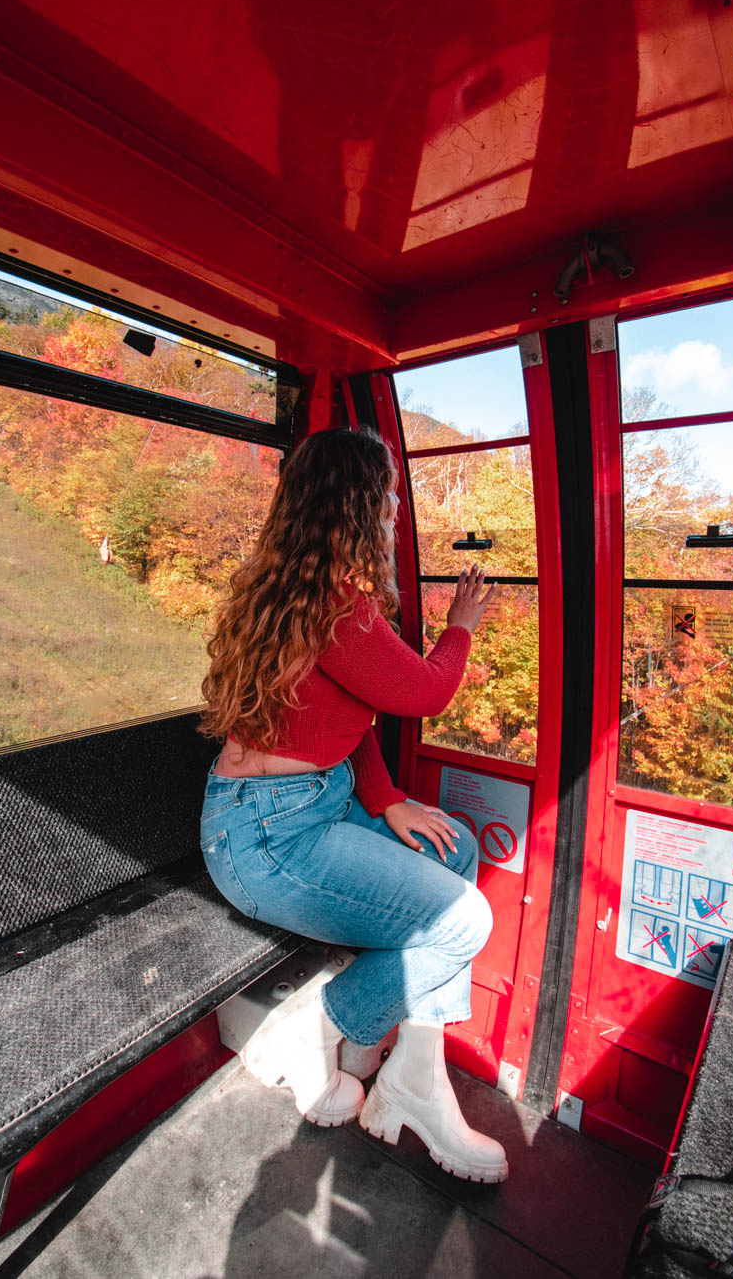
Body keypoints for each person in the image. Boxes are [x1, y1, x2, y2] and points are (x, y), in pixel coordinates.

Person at [199, 427, 507, 1183]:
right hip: (271, 838)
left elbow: (351, 718)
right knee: (465, 918)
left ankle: (388, 1067)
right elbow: (424, 692)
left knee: (451, 849)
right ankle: (320, 1030)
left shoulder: (286, 594)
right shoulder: (336, 610)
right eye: (391, 495)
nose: (396, 507)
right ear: (362, 507)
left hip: (298, 808)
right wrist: (461, 628)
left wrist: (389, 800)